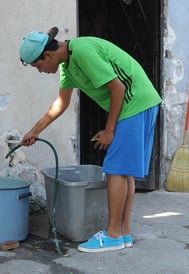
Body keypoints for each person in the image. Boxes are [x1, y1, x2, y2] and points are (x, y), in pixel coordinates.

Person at [18, 27, 162, 253]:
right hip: (140, 103)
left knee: (115, 169)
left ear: (48, 55)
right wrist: (35, 131)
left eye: (38, 66)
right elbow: (61, 104)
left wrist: (109, 130)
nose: (40, 71)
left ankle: (113, 235)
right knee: (124, 171)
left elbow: (118, 87)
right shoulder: (67, 64)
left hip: (134, 103)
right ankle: (123, 233)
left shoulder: (82, 51)